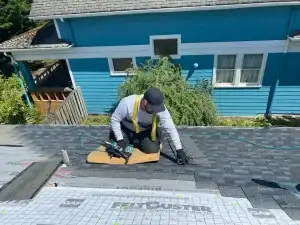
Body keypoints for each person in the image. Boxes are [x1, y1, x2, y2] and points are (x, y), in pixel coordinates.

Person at [109, 87, 189, 165]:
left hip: (145, 131)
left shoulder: (159, 107)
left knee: (152, 149)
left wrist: (179, 149)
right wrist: (120, 139)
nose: (155, 110)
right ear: (145, 102)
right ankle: (130, 141)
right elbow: (114, 119)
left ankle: (142, 140)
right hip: (127, 129)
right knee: (117, 148)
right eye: (152, 108)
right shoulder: (127, 103)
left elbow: (171, 128)